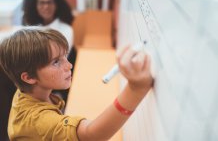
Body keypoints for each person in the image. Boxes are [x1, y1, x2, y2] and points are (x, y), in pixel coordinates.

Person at [0, 28, 153, 141]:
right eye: (56, 62)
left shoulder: (25, 91)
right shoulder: (38, 121)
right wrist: (135, 89)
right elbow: (91, 135)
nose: (69, 66)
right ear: (29, 77)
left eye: (65, 56)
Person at [22, 0, 76, 102]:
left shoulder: (66, 30)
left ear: (56, 5)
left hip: (53, 80)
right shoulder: (31, 28)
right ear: (35, 5)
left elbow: (49, 60)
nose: (46, 6)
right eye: (41, 3)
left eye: (49, 2)